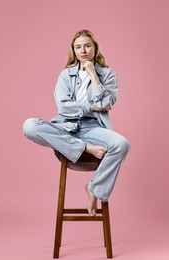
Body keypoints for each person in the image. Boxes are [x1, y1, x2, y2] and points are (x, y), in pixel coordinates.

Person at [23, 29, 130, 216]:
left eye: (87, 45)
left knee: (122, 144)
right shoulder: (66, 75)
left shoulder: (108, 74)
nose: (83, 50)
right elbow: (64, 108)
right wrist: (91, 107)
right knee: (30, 125)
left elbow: (105, 103)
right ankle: (85, 147)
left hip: (93, 127)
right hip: (65, 126)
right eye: (78, 46)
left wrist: (93, 74)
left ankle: (95, 188)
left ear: (95, 48)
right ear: (73, 49)